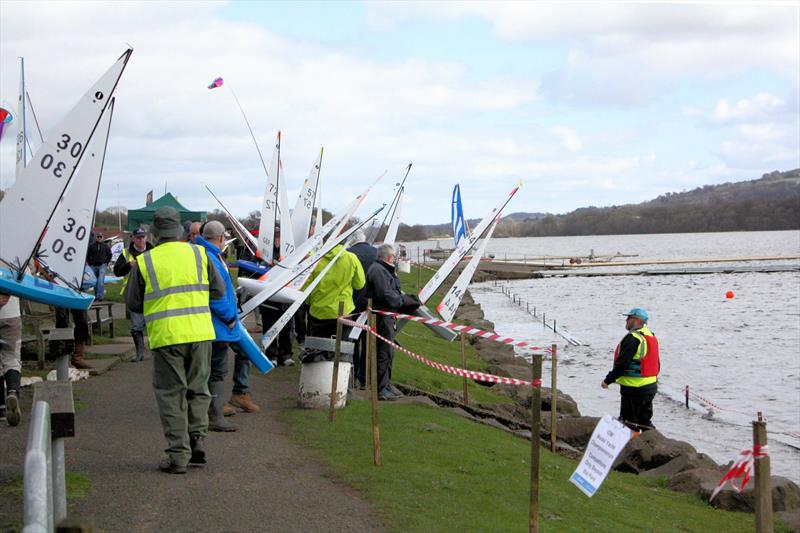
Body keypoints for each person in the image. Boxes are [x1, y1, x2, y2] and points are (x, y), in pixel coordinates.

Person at [126, 207, 225, 474]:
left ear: (155, 233)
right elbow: (219, 291)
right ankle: (198, 439)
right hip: (201, 332)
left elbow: (133, 303)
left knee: (171, 395)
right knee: (199, 389)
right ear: (180, 230)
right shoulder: (199, 253)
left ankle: (178, 455)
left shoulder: (145, 261)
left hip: (167, 335)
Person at [195, 221, 239, 432]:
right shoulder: (211, 257)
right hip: (217, 324)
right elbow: (216, 294)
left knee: (206, 369)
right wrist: (230, 316)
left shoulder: (203, 254)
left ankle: (206, 412)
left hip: (209, 324)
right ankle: (215, 415)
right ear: (221, 238)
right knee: (217, 371)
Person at [601, 307, 660, 431]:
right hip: (650, 387)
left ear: (637, 320)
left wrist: (607, 380)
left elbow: (622, 364)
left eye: (629, 318)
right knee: (644, 421)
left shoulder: (633, 338)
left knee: (629, 423)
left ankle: (631, 447)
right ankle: (650, 444)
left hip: (634, 389)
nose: (626, 320)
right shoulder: (650, 335)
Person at [303, 241, 365, 340]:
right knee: (342, 349)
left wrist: (309, 302)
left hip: (319, 311)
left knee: (318, 349)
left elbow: (305, 286)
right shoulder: (351, 258)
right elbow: (359, 284)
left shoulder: (315, 259)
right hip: (343, 311)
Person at [366, 244, 405, 401]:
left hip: (387, 315)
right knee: (383, 351)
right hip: (382, 316)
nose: (396, 259)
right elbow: (386, 294)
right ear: (389, 257)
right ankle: (381, 389)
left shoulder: (383, 269)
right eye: (395, 257)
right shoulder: (378, 270)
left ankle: (386, 385)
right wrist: (403, 301)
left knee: (389, 351)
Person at [113, 227, 153, 362]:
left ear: (146, 238)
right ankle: (139, 353)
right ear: (133, 238)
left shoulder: (153, 252)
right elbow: (117, 272)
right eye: (138, 237)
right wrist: (129, 265)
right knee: (137, 326)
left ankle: (157, 353)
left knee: (155, 324)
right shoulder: (125, 253)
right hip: (134, 295)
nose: (141, 240)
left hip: (152, 294)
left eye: (143, 237)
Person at [347, 229, 377, 387]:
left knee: (352, 339)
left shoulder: (348, 253)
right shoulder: (376, 252)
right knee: (367, 341)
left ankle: (351, 375)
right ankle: (364, 377)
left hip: (352, 302)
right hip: (371, 303)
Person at [0, 291, 22, 426]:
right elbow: (26, 282)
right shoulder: (17, 267)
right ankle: (13, 391)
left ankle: (1, 408)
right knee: (12, 357)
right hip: (11, 314)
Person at [86, 232, 112, 300]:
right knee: (95, 281)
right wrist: (89, 262)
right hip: (93, 266)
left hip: (102, 266)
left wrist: (106, 262)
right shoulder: (91, 246)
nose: (99, 238)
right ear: (96, 238)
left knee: (100, 280)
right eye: (98, 237)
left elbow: (109, 254)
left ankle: (100, 296)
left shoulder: (106, 246)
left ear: (102, 238)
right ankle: (96, 295)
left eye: (100, 237)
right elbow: (87, 255)